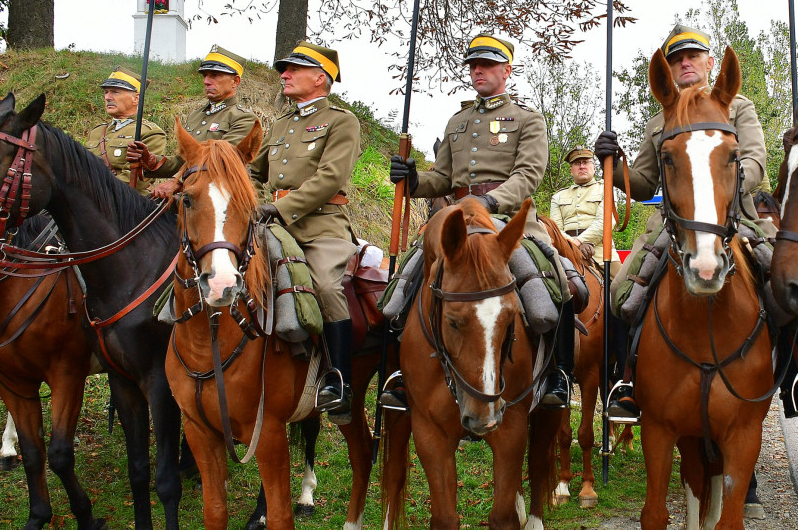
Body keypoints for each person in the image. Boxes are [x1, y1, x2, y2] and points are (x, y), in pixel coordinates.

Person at [382, 33, 574, 412]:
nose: (477, 70)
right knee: (407, 279)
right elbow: (443, 177)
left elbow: (528, 175)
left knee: (557, 276)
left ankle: (559, 373)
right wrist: (415, 179)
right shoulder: (459, 120)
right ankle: (403, 372)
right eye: (472, 65)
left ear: (507, 70)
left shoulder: (527, 119)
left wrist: (489, 200)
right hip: (457, 218)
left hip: (506, 217)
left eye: (486, 64)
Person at [593, 24, 770, 422]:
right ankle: (626, 383)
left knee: (788, 282)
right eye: (676, 59)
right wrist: (613, 162)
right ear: (668, 71)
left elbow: (756, 160)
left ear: (709, 62)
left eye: (692, 56)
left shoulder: (738, 106)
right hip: (673, 222)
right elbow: (641, 183)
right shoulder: (660, 122)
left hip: (734, 214)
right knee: (621, 293)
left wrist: (720, 187)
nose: (684, 63)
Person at [247, 41, 362, 424]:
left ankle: (338, 381)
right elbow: (254, 171)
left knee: (327, 287)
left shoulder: (341, 121)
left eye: (294, 69)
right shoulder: (281, 125)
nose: (284, 74)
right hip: (271, 223)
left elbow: (331, 178)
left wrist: (278, 208)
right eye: (285, 69)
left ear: (320, 78)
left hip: (321, 226)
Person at [127, 45, 259, 198]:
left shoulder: (243, 118)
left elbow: (221, 161)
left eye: (215, 75)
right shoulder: (195, 116)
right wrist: (150, 160)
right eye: (205, 76)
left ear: (235, 81)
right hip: (189, 196)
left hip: (219, 198)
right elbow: (182, 161)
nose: (206, 81)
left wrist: (177, 181)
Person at [85, 66, 167, 194]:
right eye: (106, 92)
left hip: (125, 204)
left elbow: (137, 180)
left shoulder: (149, 132)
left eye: (115, 92)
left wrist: (92, 191)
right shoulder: (97, 131)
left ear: (136, 98)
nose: (108, 97)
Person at [549, 147, 619, 272]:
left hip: (601, 253)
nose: (582, 166)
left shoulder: (606, 189)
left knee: (623, 286)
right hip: (566, 253)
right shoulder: (558, 196)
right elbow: (555, 229)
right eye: (577, 163)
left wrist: (580, 241)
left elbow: (605, 222)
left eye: (586, 162)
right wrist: (573, 246)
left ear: (594, 167)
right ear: (571, 170)